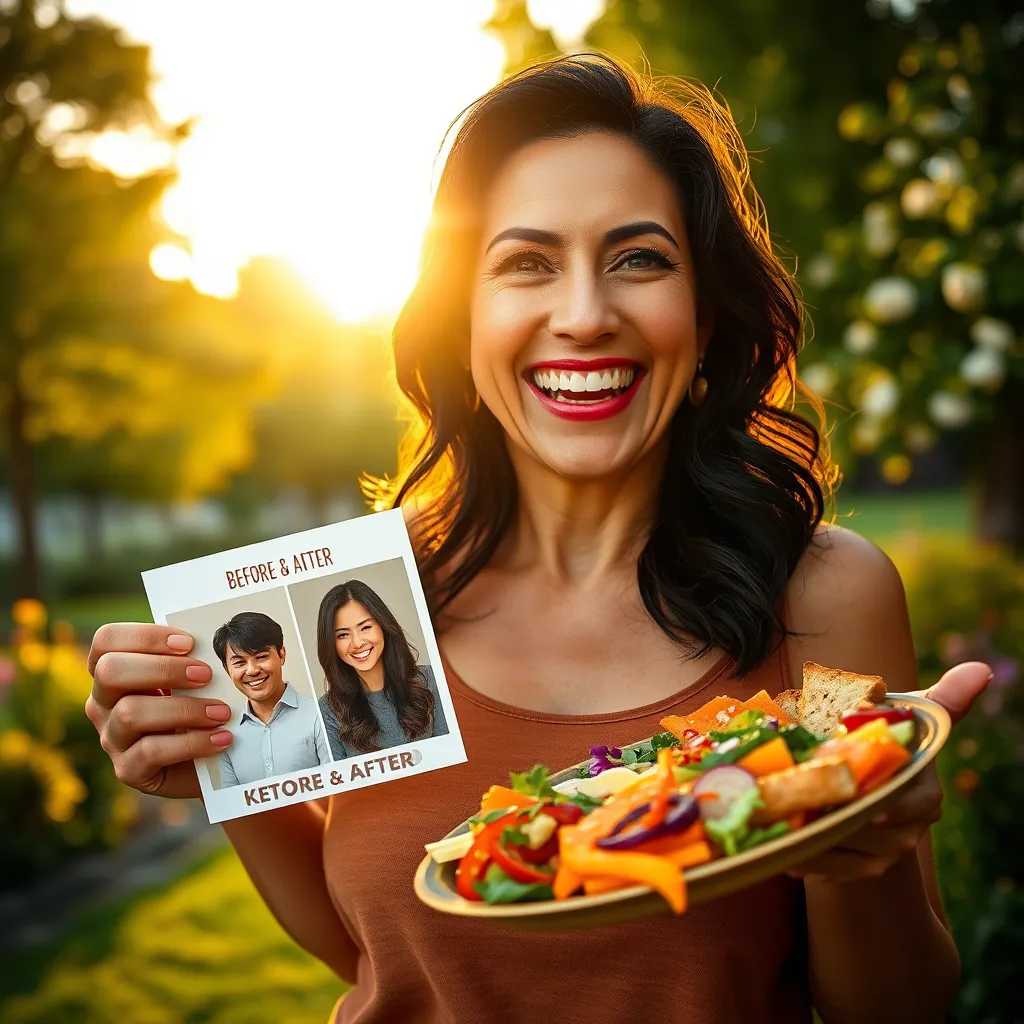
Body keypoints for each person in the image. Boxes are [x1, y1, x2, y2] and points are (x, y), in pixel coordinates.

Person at [84, 55, 991, 1023]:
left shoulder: (818, 596)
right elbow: (371, 952)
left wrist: (858, 847)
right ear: (463, 324)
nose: (584, 315)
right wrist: (230, 765)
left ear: (705, 316)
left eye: (639, 258)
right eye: (526, 263)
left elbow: (895, 1008)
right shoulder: (374, 599)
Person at [314, 580, 448, 760]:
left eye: (365, 627)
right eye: (343, 635)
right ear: (331, 644)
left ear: (383, 626)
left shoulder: (429, 679)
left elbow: (450, 754)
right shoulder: (328, 709)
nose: (357, 643)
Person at [211, 611, 331, 787]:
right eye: (239, 662)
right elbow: (235, 808)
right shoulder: (227, 735)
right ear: (227, 669)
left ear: (281, 655)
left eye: (261, 657)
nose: (252, 670)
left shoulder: (319, 716)